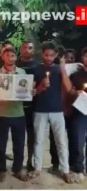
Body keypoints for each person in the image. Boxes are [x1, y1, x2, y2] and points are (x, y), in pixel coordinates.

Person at [28, 42, 73, 183]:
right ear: (42, 54)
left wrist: (63, 68)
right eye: (46, 55)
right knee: (38, 140)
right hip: (39, 110)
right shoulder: (35, 69)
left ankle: (65, 170)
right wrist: (41, 87)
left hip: (57, 110)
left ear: (56, 55)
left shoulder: (60, 70)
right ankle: (37, 168)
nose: (48, 58)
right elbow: (32, 93)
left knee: (61, 141)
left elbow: (69, 88)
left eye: (51, 55)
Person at [0, 47, 29, 182]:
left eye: (13, 55)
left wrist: (29, 92)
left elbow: (25, 91)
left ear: (15, 57)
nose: (10, 58)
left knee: (19, 144)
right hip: (2, 113)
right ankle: (2, 169)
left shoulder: (22, 72)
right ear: (3, 57)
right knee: (1, 145)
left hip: (18, 113)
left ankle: (17, 169)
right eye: (7, 55)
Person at [16, 41, 37, 171]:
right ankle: (18, 163)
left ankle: (30, 160)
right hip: (16, 106)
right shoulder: (15, 64)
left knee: (31, 135)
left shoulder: (37, 66)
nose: (27, 50)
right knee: (18, 137)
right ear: (21, 49)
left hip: (32, 106)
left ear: (33, 50)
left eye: (30, 47)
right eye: (24, 47)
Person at [67, 47, 87, 182]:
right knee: (77, 141)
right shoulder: (76, 75)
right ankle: (77, 168)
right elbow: (70, 92)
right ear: (83, 57)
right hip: (79, 111)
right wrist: (76, 93)